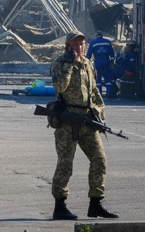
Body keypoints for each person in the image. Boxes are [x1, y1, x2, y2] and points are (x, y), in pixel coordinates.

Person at [50, 31, 118, 220]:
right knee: (65, 165)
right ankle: (60, 206)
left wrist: (100, 115)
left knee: (99, 160)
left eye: (82, 43)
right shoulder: (60, 62)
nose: (80, 47)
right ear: (67, 45)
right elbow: (60, 87)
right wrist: (69, 64)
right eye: (76, 43)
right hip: (67, 121)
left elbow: (94, 91)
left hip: (87, 120)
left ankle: (96, 203)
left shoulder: (88, 63)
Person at [86, 31, 116, 98]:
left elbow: (89, 54)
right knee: (108, 77)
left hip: (98, 61)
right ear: (102, 36)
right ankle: (109, 93)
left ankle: (99, 94)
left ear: (96, 36)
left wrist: (86, 61)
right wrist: (112, 60)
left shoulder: (93, 42)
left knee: (98, 78)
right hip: (106, 60)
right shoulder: (107, 42)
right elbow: (112, 52)